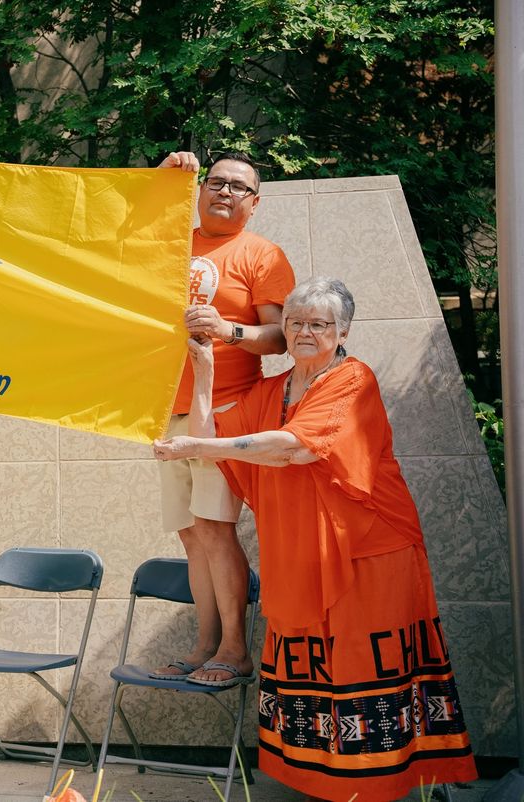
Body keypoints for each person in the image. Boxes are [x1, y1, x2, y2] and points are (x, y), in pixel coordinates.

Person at [153, 277, 477, 801]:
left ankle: (391, 784)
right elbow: (212, 440)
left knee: (365, 662)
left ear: (343, 330)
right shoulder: (269, 390)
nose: (305, 331)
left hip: (370, 548)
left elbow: (294, 448)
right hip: (297, 551)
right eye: (296, 321)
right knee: (315, 661)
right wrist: (206, 372)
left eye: (319, 323)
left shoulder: (352, 380)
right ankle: (325, 784)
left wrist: (196, 441)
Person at [149, 151, 296, 687]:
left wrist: (227, 331)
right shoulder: (169, 240)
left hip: (227, 411)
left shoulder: (263, 255)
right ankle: (204, 645)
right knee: (190, 534)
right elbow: (113, 246)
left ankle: (233, 650)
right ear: (201, 188)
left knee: (215, 529)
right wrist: (157, 185)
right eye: (216, 182)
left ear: (254, 204)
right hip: (165, 410)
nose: (224, 192)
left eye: (238, 187)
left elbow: (281, 338)